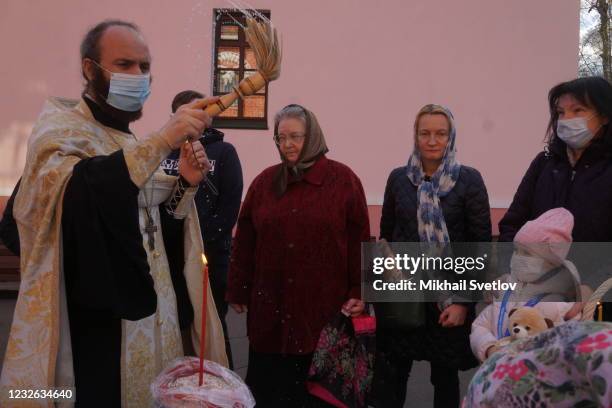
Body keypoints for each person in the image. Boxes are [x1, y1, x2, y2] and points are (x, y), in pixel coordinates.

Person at [0, 20, 227, 407]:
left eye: (144, 66)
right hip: (98, 323)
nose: (138, 76)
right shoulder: (60, 129)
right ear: (90, 69)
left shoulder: (128, 139)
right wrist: (162, 139)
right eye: (125, 64)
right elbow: (76, 200)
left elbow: (155, 229)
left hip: (154, 317)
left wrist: (186, 183)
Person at [226, 104, 370, 407]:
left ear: (313, 137)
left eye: (296, 136)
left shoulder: (343, 181)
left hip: (320, 314)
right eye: (281, 138)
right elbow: (246, 238)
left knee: (315, 396)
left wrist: (360, 290)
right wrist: (239, 287)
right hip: (270, 313)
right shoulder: (265, 183)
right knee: (269, 394)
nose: (287, 144)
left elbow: (360, 240)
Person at [374, 104, 491, 408]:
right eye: (425, 133)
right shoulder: (398, 179)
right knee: (393, 374)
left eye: (441, 133)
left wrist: (465, 303)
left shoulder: (469, 180)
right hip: (405, 296)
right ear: (415, 136)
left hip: (448, 299)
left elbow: (479, 247)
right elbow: (386, 236)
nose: (432, 140)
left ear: (451, 137)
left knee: (444, 378)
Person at [498, 76, 612, 321]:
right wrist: (506, 271)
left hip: (597, 303)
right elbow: (512, 223)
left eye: (578, 110)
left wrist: (591, 286)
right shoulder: (545, 164)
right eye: (560, 112)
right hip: (537, 299)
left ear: (604, 116)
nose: (566, 119)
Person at [161, 90, 243, 365]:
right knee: (178, 327)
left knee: (212, 327)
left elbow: (230, 208)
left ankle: (220, 383)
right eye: (182, 114)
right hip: (170, 259)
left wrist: (198, 243)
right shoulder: (164, 152)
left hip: (210, 259)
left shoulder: (224, 151)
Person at [471, 208, 582, 362]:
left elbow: (566, 347)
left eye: (527, 253)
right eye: (516, 250)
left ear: (551, 261)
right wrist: (490, 348)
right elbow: (481, 325)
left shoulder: (560, 302)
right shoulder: (506, 289)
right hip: (496, 371)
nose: (517, 257)